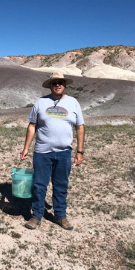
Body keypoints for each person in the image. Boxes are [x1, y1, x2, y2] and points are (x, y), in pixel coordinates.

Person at [20, 71, 85, 230]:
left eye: (60, 82)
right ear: (50, 85)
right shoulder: (41, 102)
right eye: (54, 82)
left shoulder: (73, 103)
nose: (57, 85)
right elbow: (32, 126)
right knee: (39, 185)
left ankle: (60, 216)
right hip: (42, 152)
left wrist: (80, 151)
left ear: (65, 85)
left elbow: (80, 127)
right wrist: (26, 148)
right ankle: (36, 216)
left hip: (64, 152)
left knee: (61, 185)